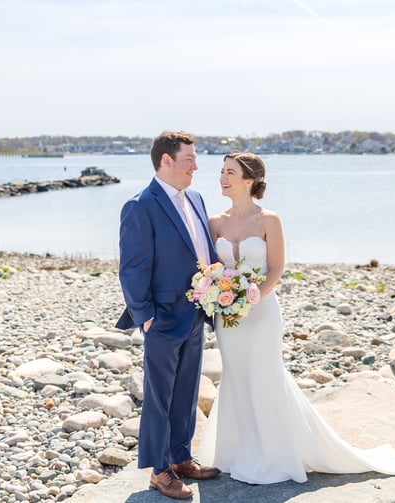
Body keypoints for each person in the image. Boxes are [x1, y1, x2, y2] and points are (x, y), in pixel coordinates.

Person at [197, 152, 395, 484]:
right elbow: (211, 269)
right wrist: (220, 296)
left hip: (262, 313)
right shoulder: (215, 222)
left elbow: (276, 269)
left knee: (265, 376)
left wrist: (253, 297)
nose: (222, 178)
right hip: (229, 318)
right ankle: (237, 453)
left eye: (230, 172)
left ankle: (275, 456)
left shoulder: (270, 220)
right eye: (221, 171)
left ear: (250, 180)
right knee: (237, 378)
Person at [116, 131, 221, 499]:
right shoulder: (140, 205)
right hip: (160, 317)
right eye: (189, 158)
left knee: (187, 391)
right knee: (159, 397)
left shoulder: (195, 197)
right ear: (166, 160)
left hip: (196, 312)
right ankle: (159, 471)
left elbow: (202, 250)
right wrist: (146, 317)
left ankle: (180, 458)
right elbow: (131, 269)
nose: (196, 165)